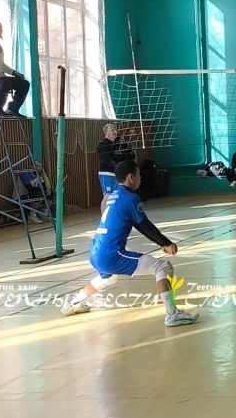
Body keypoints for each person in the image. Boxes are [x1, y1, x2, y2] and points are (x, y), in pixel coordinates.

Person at [60, 160, 199, 327]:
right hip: (111, 255)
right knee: (163, 267)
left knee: (109, 277)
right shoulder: (131, 198)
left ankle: (74, 303)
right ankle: (172, 315)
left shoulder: (113, 196)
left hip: (95, 252)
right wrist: (166, 243)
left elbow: (135, 223)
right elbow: (144, 225)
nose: (141, 178)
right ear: (130, 177)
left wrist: (162, 242)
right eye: (139, 175)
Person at [97, 124, 135, 208]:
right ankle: (105, 216)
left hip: (117, 174)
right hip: (107, 173)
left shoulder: (118, 144)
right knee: (107, 196)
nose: (115, 131)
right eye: (112, 130)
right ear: (106, 132)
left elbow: (128, 156)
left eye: (115, 130)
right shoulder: (103, 144)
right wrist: (117, 166)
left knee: (118, 195)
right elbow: (106, 159)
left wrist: (125, 146)